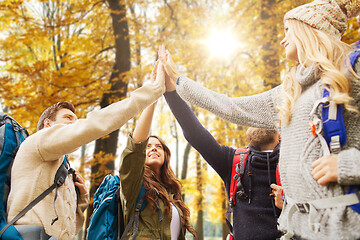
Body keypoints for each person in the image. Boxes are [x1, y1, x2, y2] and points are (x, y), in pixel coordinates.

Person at [158, 0, 360, 239]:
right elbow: (231, 107)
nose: (283, 39)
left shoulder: (350, 71)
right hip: (297, 231)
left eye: (288, 30)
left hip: (343, 228)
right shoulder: (290, 90)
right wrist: (179, 81)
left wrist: (348, 165)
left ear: (309, 28)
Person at [7, 61, 166, 239]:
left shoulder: (63, 169)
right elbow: (95, 124)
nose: (74, 124)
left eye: (76, 120)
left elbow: (70, 230)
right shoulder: (38, 141)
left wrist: (81, 200)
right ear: (48, 123)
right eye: (68, 117)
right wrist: (152, 91)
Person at [163, 77, 281, 239]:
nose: (258, 121)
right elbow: (194, 132)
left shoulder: (295, 159)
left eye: (264, 115)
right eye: (254, 117)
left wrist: (289, 204)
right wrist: (170, 92)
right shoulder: (233, 161)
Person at [119, 95, 196, 239]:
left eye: (158, 147)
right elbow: (135, 147)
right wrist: (152, 98)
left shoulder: (171, 192)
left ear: (165, 155)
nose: (153, 149)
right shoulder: (134, 185)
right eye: (147, 147)